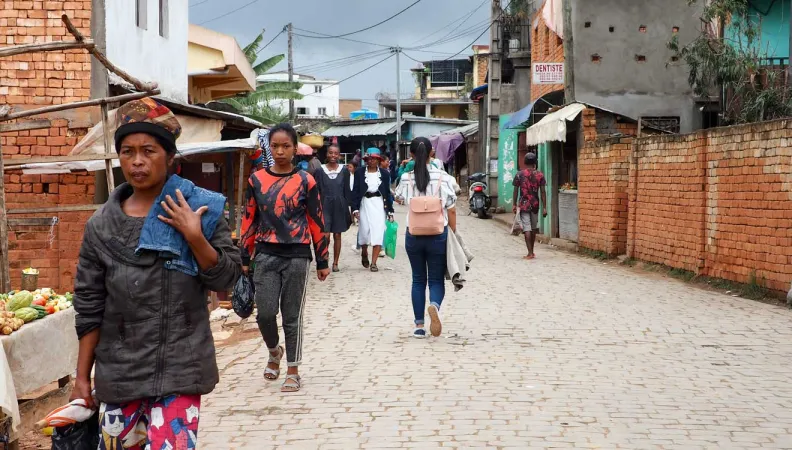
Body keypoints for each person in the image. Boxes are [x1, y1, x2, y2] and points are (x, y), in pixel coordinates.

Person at [71, 98, 242, 449]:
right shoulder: (101, 226)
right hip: (120, 373)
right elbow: (89, 306)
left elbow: (225, 279)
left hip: (180, 368)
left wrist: (195, 237)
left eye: (148, 150)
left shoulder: (200, 209)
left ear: (170, 156)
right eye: (127, 151)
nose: (137, 161)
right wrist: (81, 378)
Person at [240, 123, 330, 393]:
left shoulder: (306, 181)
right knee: (265, 313)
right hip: (265, 254)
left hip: (297, 255)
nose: (280, 151)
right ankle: (273, 350)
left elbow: (316, 221)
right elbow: (247, 219)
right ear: (269, 147)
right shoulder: (256, 180)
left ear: (294, 149)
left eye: (285, 146)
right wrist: (245, 255)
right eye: (275, 146)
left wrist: (322, 259)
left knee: (292, 316)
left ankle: (293, 369)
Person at [395, 137, 457, 339]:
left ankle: (419, 326)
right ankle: (434, 306)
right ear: (432, 152)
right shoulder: (445, 178)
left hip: (413, 234)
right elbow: (452, 207)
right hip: (438, 234)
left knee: (418, 279)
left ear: (411, 155)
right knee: (436, 279)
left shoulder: (406, 178)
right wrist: (453, 235)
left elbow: (399, 197)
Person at [351, 147, 394, 272]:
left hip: (379, 204)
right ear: (366, 160)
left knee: (378, 232)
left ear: (378, 160)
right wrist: (355, 209)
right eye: (369, 159)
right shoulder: (359, 172)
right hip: (364, 203)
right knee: (364, 231)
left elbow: (387, 193)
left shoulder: (385, 174)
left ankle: (374, 263)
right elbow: (355, 191)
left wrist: (390, 211)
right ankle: (364, 252)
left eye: (374, 159)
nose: (371, 161)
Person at [313, 144, 352, 272]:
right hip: (324, 205)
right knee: (325, 236)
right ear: (327, 154)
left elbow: (347, 190)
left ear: (339, 155)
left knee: (337, 235)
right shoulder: (320, 170)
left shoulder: (344, 170)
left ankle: (335, 263)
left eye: (336, 153)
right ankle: (325, 257)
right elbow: (316, 191)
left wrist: (350, 209)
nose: (333, 156)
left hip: (340, 205)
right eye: (330, 153)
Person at [512, 152, 547, 260]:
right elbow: (543, 192)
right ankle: (532, 251)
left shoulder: (519, 174)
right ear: (535, 162)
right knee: (533, 228)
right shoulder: (540, 175)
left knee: (527, 228)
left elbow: (515, 191)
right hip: (535, 205)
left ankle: (530, 253)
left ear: (525, 162)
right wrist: (545, 207)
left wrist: (514, 204)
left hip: (523, 205)